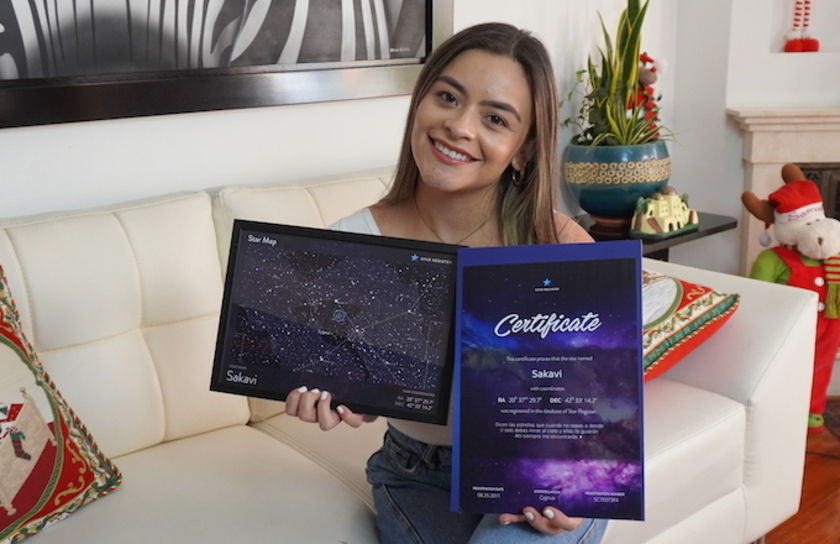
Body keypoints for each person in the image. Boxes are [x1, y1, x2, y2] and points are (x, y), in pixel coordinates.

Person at [284, 22, 607, 544]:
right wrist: (337, 392)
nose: (459, 125)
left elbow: (595, 403)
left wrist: (576, 486)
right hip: (418, 473)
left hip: (540, 470)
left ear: (523, 151)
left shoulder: (559, 245)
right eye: (448, 97)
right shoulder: (352, 242)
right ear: (420, 104)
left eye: (495, 118)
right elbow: (361, 393)